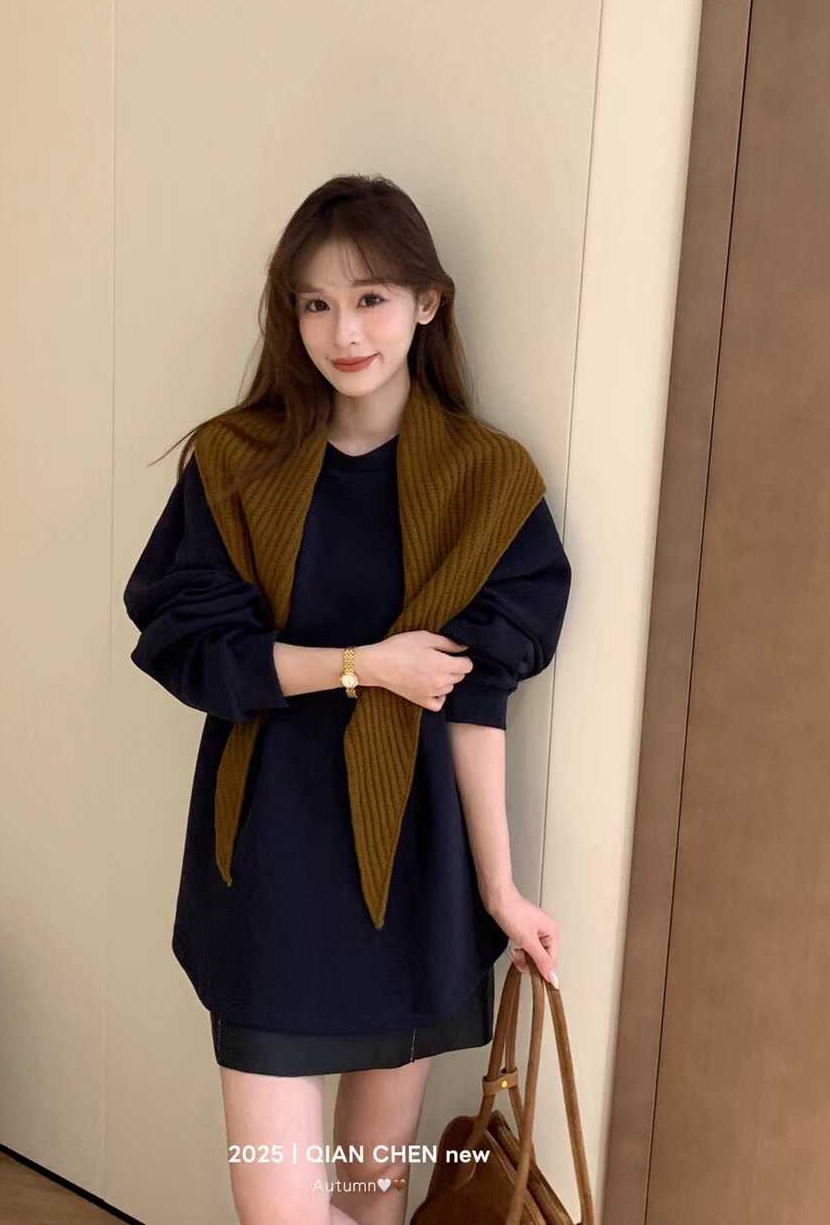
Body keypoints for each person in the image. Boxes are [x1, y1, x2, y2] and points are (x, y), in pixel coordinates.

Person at [123, 173, 572, 1225]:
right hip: (271, 861)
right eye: (315, 304)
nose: (344, 331)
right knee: (280, 1209)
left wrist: (500, 890)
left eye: (370, 298)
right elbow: (206, 652)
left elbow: (477, 699)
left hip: (413, 871)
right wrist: (364, 664)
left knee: (375, 1191)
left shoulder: (486, 478)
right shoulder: (236, 462)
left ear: (427, 301)